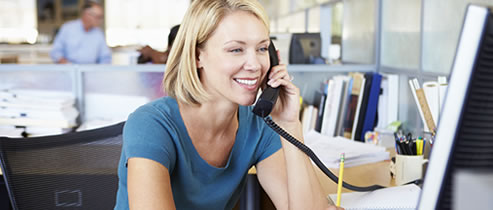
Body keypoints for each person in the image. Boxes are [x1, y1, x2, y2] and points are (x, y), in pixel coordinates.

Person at [114, 0, 342, 209]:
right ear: (197, 56)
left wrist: (290, 125)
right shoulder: (152, 125)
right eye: (236, 49)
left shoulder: (260, 125)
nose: (254, 64)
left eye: (262, 48)